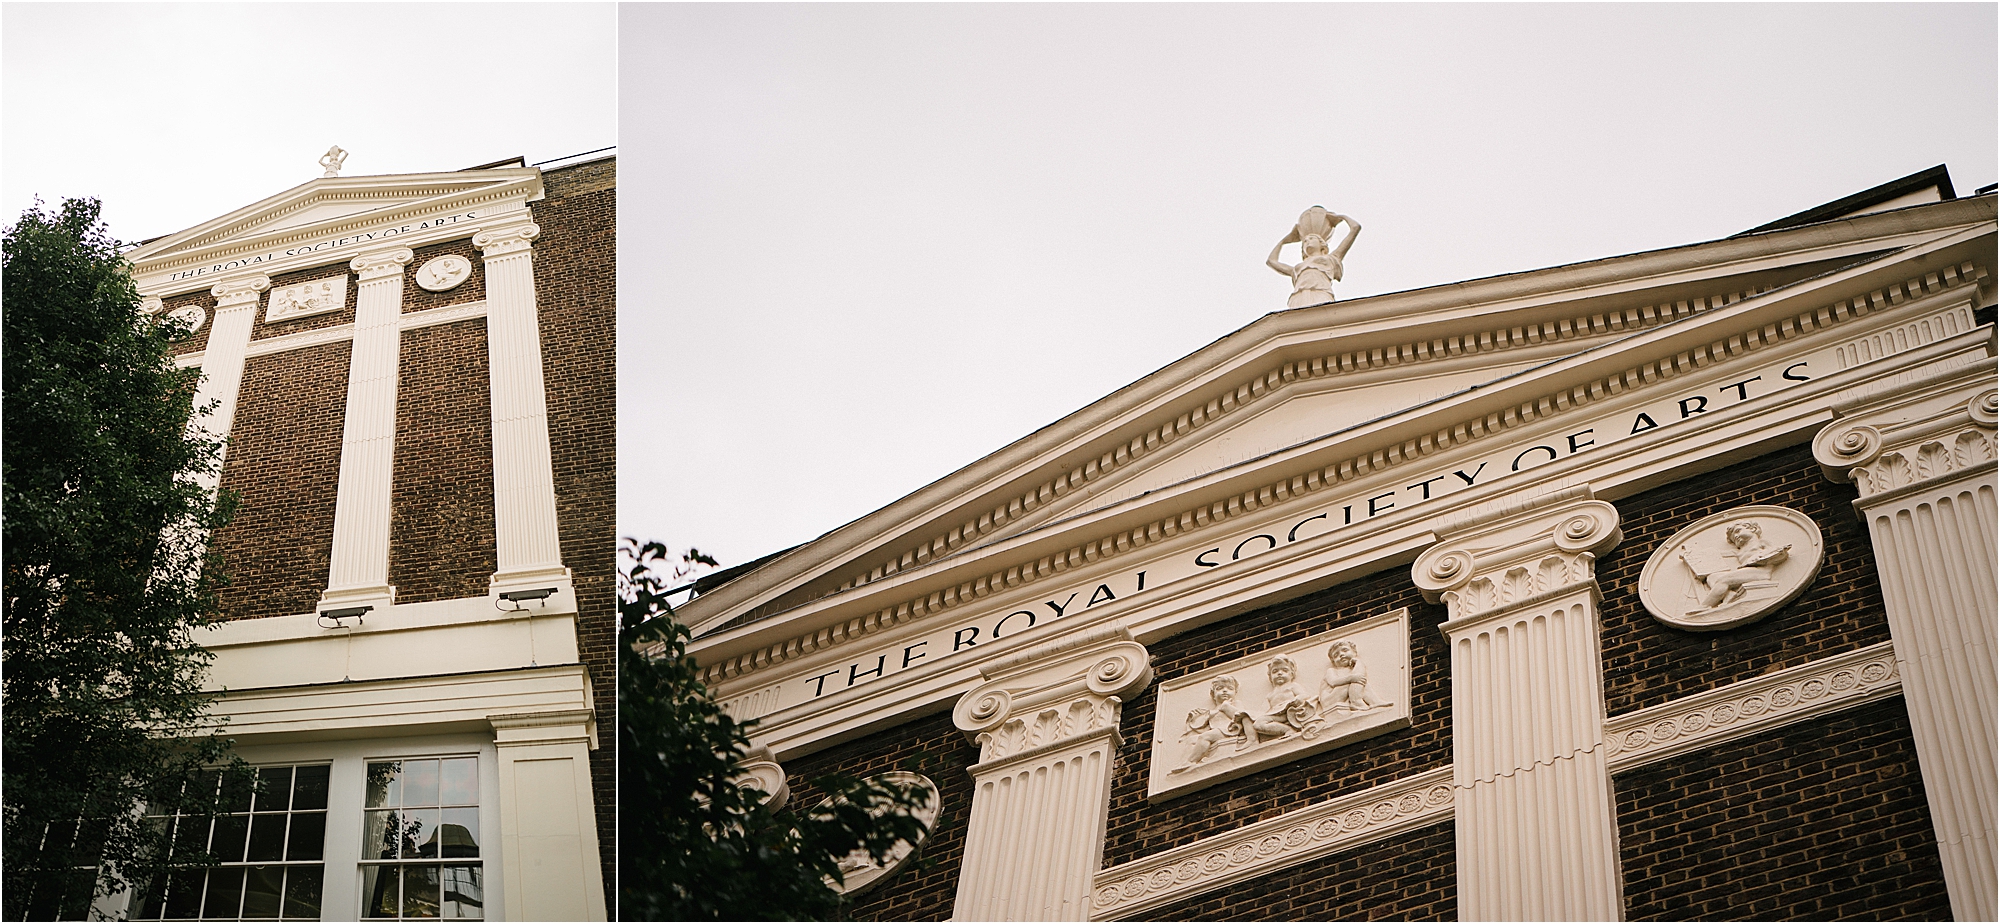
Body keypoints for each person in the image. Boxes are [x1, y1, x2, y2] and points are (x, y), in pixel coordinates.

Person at [1680, 520, 1790, 609]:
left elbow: (1777, 553)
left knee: (1723, 580)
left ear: (1752, 529)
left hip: (1761, 572)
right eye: (1733, 537)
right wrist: (1694, 554)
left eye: (1738, 531)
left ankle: (1704, 606)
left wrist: (1761, 557)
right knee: (1712, 577)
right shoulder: (1739, 551)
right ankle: (1728, 595)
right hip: (1747, 572)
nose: (1736, 536)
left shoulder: (1761, 543)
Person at [1267, 206, 1361, 308]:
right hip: (1298, 297)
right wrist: (1284, 241)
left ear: (1322, 244)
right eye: (1305, 241)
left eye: (1311, 238)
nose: (1307, 242)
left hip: (1321, 294)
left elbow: (1355, 228)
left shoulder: (1331, 259)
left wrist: (1341, 217)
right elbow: (1271, 261)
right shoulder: (1298, 268)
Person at [1175, 676, 1254, 771]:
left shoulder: (1235, 703)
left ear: (1235, 692)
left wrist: (1226, 707)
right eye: (1220, 688)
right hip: (1219, 731)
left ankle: (1191, 762)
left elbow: (1240, 715)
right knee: (1192, 740)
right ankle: (1184, 761)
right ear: (1213, 694)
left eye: (1230, 688)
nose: (1225, 691)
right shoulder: (1213, 711)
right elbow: (1200, 725)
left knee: (1204, 737)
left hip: (1230, 730)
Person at [1318, 640, 1386, 714]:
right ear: (1333, 662)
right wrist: (1352, 676)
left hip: (1340, 694)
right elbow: (1333, 682)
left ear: (1354, 652)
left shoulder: (1350, 670)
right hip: (1329, 700)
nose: (1341, 655)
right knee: (1355, 679)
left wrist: (1357, 663)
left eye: (1345, 650)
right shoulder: (1331, 670)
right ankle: (1356, 702)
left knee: (1361, 681)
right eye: (1336, 655)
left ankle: (1374, 701)